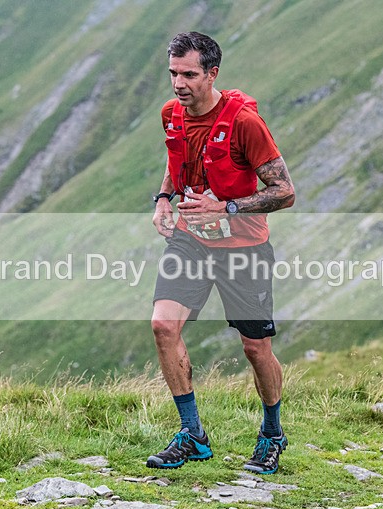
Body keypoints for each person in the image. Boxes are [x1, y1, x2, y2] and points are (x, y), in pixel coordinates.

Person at [147, 32, 295, 475]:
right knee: (162, 326)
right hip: (190, 240)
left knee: (256, 348)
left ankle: (272, 433)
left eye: (189, 75)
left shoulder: (245, 123)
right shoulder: (171, 114)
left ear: (212, 74)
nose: (179, 84)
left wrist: (226, 206)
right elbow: (177, 160)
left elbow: (284, 191)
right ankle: (192, 435)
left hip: (243, 246)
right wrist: (163, 198)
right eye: (173, 73)